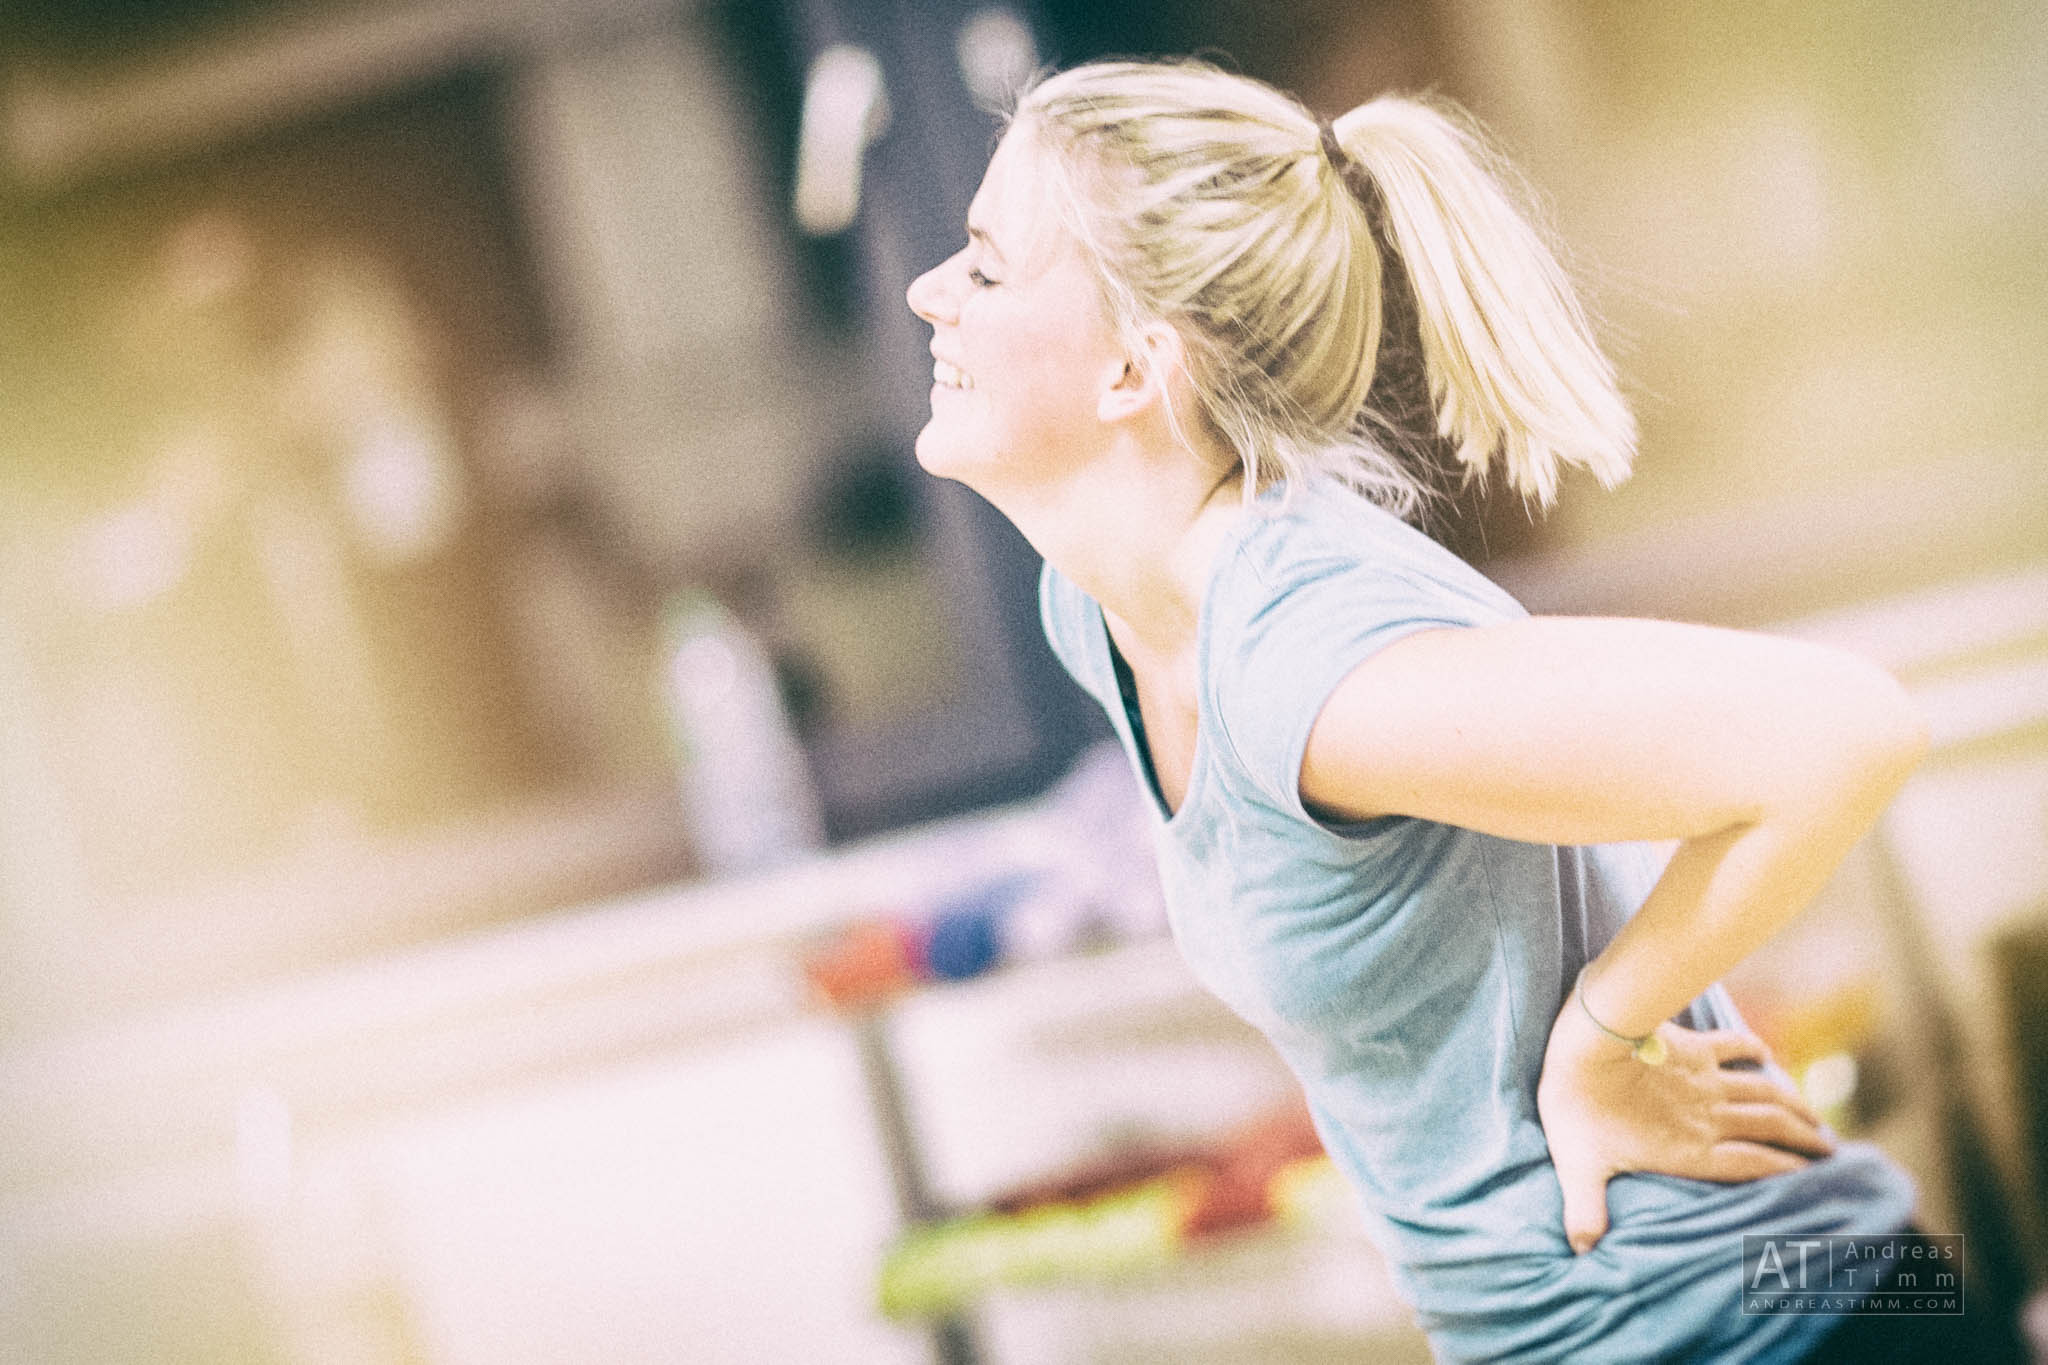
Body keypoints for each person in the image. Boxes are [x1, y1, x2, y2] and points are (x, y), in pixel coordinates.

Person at [904, 56, 2022, 1364]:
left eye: (986, 264)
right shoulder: (1098, 614)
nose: (929, 290)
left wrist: (1602, 1036)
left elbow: (1843, 728)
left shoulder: (1309, 668)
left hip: (1788, 1326)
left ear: (1133, 374)